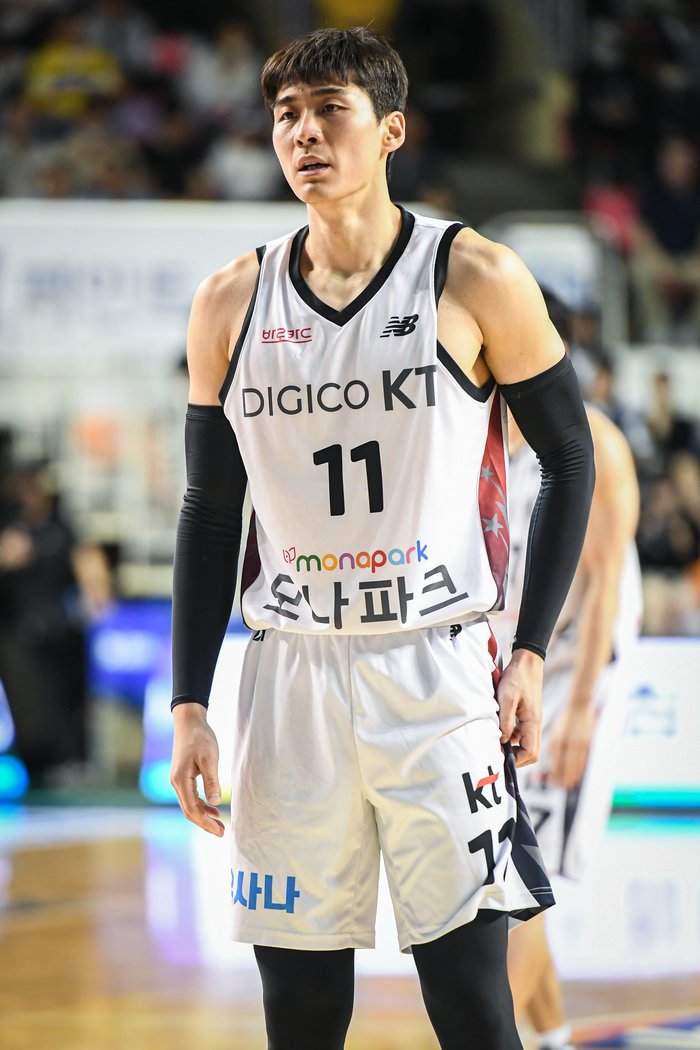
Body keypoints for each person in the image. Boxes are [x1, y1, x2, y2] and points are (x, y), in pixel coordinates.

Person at [169, 27, 595, 1050]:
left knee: (471, 1001)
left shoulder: (475, 275)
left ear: (391, 129)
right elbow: (211, 512)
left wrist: (531, 652)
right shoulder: (228, 302)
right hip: (292, 675)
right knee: (301, 1008)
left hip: (437, 671)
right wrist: (189, 703)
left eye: (331, 111)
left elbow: (570, 459)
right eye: (286, 115)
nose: (304, 134)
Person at [494, 290, 641, 1050]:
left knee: (517, 885)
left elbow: (607, 583)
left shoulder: (597, 443)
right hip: (508, 668)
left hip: (579, 668)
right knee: (512, 878)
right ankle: (549, 1037)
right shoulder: (480, 434)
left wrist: (580, 707)